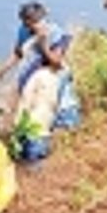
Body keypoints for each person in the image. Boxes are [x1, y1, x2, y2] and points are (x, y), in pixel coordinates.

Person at [15, 27, 81, 165]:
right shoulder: (59, 73)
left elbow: (25, 104)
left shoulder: (39, 77)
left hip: (33, 133)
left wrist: (17, 128)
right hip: (44, 132)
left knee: (31, 163)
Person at [0, 1, 66, 93]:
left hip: (49, 72)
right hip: (29, 69)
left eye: (34, 22)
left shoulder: (55, 32)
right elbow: (18, 53)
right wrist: (4, 69)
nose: (27, 27)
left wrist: (43, 44)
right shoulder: (24, 30)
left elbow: (57, 63)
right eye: (25, 23)